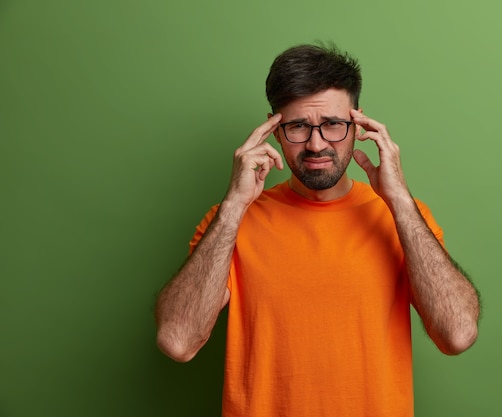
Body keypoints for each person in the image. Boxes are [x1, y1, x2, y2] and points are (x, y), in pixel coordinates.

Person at [155, 43, 480, 417]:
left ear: (359, 126)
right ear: (273, 130)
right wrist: (233, 206)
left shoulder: (403, 218)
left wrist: (400, 201)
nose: (316, 144)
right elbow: (177, 341)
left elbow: (457, 334)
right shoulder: (229, 222)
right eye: (297, 126)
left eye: (332, 124)